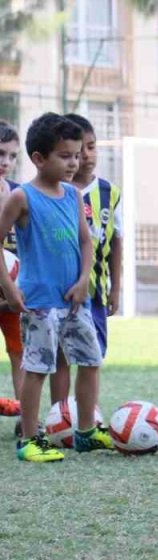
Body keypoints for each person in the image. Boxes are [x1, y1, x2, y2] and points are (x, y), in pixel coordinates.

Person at [0, 113, 105, 462]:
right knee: (38, 368)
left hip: (75, 301)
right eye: (65, 155)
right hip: (39, 303)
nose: (74, 162)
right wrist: (10, 291)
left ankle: (87, 431)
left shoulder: (74, 197)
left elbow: (86, 243)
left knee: (91, 361)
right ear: (39, 158)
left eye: (77, 154)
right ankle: (30, 440)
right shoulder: (22, 198)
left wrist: (82, 282)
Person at [49, 113, 122, 406]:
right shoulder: (52, 191)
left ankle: (87, 415)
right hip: (58, 292)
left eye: (91, 147)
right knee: (61, 356)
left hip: (95, 293)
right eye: (79, 152)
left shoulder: (110, 193)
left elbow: (116, 241)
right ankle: (60, 415)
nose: (86, 157)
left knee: (92, 357)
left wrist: (116, 288)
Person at [0, 121, 23, 427]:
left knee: (21, 353)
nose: (6, 161)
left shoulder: (19, 194)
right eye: (0, 153)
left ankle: (26, 415)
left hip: (15, 295)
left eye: (12, 156)